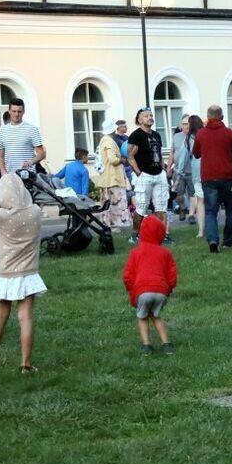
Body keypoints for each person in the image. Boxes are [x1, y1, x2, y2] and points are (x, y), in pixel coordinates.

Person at [0, 172, 44, 372]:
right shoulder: (35, 212)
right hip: (27, 272)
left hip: (4, 273)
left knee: (0, 315)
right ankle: (25, 364)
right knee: (26, 317)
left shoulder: (2, 217)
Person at [122, 213, 177, 356]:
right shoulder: (165, 253)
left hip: (143, 291)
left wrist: (131, 290)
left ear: (142, 232)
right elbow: (172, 275)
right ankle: (167, 345)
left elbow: (128, 276)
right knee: (156, 316)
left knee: (142, 317)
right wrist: (168, 290)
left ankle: (146, 346)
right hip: (161, 291)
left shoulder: (136, 252)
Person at [192, 104, 232, 254]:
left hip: (209, 177)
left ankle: (213, 240)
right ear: (222, 117)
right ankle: (228, 241)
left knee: (211, 211)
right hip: (228, 176)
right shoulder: (229, 134)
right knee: (231, 209)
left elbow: (196, 154)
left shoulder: (201, 134)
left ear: (207, 117)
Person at [126, 107, 170, 245]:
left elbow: (159, 153)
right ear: (139, 120)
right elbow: (130, 156)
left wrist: (164, 169)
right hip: (145, 175)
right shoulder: (136, 135)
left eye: (151, 115)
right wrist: (138, 172)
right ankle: (135, 234)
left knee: (161, 207)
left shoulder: (156, 135)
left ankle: (161, 235)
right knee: (141, 207)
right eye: (146, 116)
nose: (150, 118)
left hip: (159, 174)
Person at [0, 98, 45, 176]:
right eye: (14, 111)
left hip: (28, 176)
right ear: (9, 111)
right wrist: (3, 172)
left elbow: (42, 154)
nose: (16, 114)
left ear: (23, 112)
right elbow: (0, 156)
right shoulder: (2, 130)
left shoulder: (32, 129)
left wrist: (30, 162)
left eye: (19, 111)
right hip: (9, 176)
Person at [93, 122, 131, 229]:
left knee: (106, 204)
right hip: (113, 177)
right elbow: (113, 159)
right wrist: (122, 160)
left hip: (106, 177)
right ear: (113, 130)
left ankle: (106, 224)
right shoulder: (109, 142)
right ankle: (116, 225)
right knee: (116, 203)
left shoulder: (103, 140)